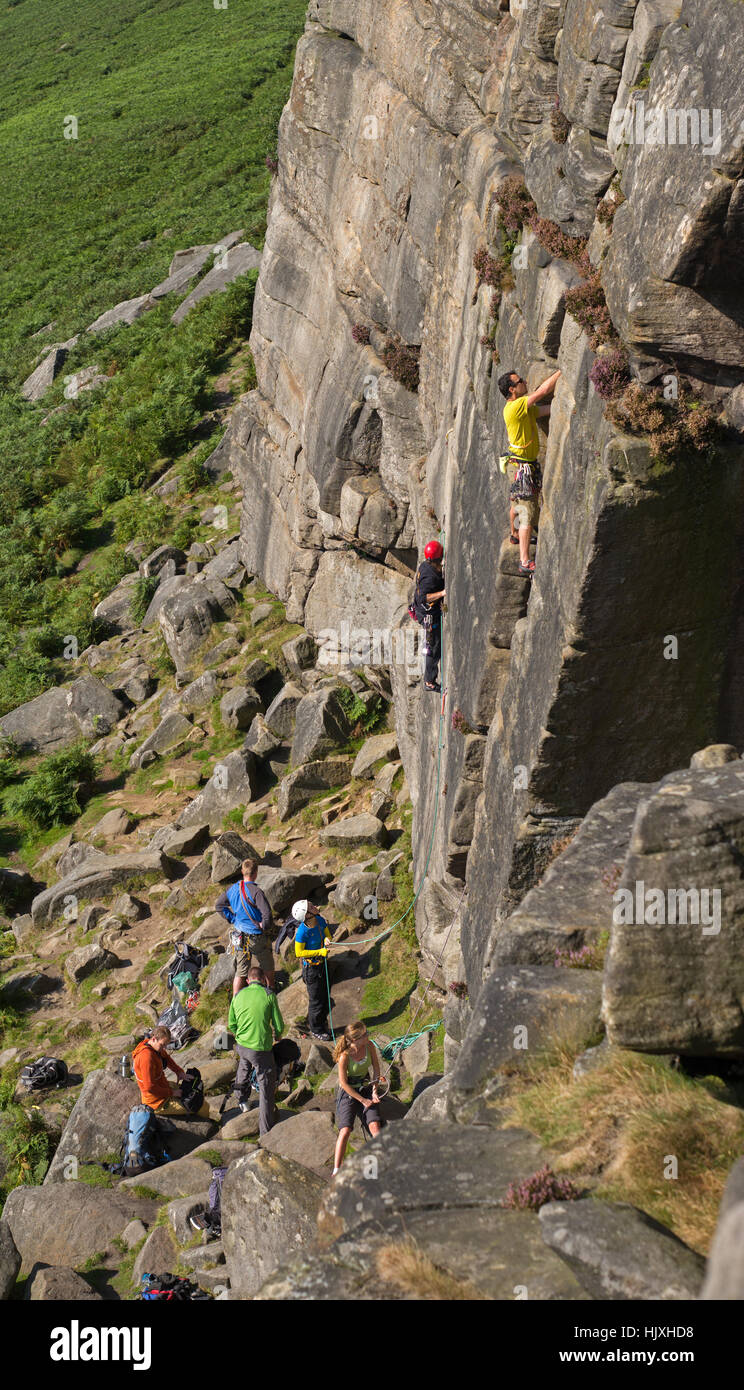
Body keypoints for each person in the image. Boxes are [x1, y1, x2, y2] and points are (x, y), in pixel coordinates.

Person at [498, 368, 561, 575]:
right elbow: (543, 391)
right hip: (523, 467)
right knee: (525, 510)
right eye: (520, 381)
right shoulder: (515, 407)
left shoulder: (521, 410)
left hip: (518, 465)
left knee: (516, 504)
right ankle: (524, 561)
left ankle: (514, 534)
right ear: (512, 389)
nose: (525, 382)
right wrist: (563, 371)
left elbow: (545, 409)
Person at [227, 966, 284, 1135]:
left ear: (247, 980)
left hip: (242, 1045)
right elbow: (278, 1024)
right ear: (264, 979)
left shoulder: (237, 996)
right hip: (260, 1048)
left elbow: (231, 1023)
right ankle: (265, 1131)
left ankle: (242, 1100)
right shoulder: (269, 995)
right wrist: (278, 1035)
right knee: (266, 1084)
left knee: (244, 1067)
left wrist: (239, 1035)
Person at [215, 857, 275, 996]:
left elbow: (219, 905)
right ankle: (271, 990)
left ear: (242, 871)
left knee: (241, 969)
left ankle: (236, 998)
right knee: (267, 963)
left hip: (239, 934)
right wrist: (264, 926)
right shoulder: (256, 892)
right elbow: (267, 914)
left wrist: (232, 918)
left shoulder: (233, 889)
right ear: (256, 872)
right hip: (255, 935)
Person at [332, 1021, 383, 1176]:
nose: (368, 1036)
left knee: (375, 1126)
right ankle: (336, 1169)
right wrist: (363, 1100)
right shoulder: (345, 1056)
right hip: (349, 1092)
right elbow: (344, 1084)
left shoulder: (370, 1046)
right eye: (365, 1035)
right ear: (355, 1040)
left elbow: (375, 1068)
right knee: (345, 1129)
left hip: (365, 1085)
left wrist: (374, 1091)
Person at [132, 1026, 210, 1119]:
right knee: (201, 1106)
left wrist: (179, 1072)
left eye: (166, 1045)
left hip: (164, 1087)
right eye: (162, 1045)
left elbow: (167, 1059)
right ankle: (211, 1126)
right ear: (153, 1039)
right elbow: (150, 1088)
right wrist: (172, 1093)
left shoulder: (152, 1046)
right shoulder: (146, 1057)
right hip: (157, 1102)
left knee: (195, 1095)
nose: (164, 1048)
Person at [293, 899, 332, 1041]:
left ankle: (322, 1023)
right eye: (310, 906)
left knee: (324, 996)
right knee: (316, 1001)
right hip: (311, 969)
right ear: (307, 915)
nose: (314, 906)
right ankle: (316, 1029)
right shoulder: (302, 932)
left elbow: (328, 935)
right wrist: (319, 952)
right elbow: (299, 952)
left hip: (322, 964)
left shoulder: (320, 920)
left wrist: (328, 939)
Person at [416, 540, 446, 693]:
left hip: (425, 611)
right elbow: (423, 598)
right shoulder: (429, 577)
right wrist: (442, 594)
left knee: (434, 646)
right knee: (433, 648)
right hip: (428, 616)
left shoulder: (426, 565)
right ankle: (429, 682)